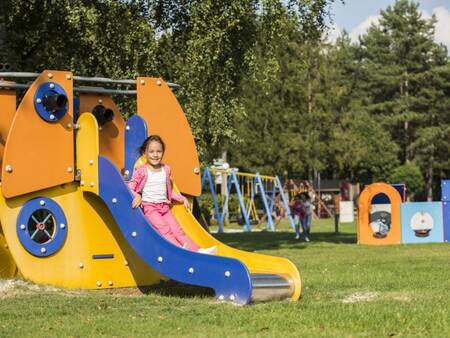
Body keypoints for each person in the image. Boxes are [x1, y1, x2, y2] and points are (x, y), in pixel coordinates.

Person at [128, 135, 217, 255]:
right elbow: (130, 187)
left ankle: (198, 250)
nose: (155, 155)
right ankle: (178, 251)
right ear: (145, 152)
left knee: (178, 231)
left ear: (163, 152)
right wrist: (137, 195)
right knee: (165, 230)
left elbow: (168, 191)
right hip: (150, 208)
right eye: (152, 151)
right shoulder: (141, 171)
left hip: (164, 207)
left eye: (159, 151)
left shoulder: (166, 169)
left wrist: (181, 198)